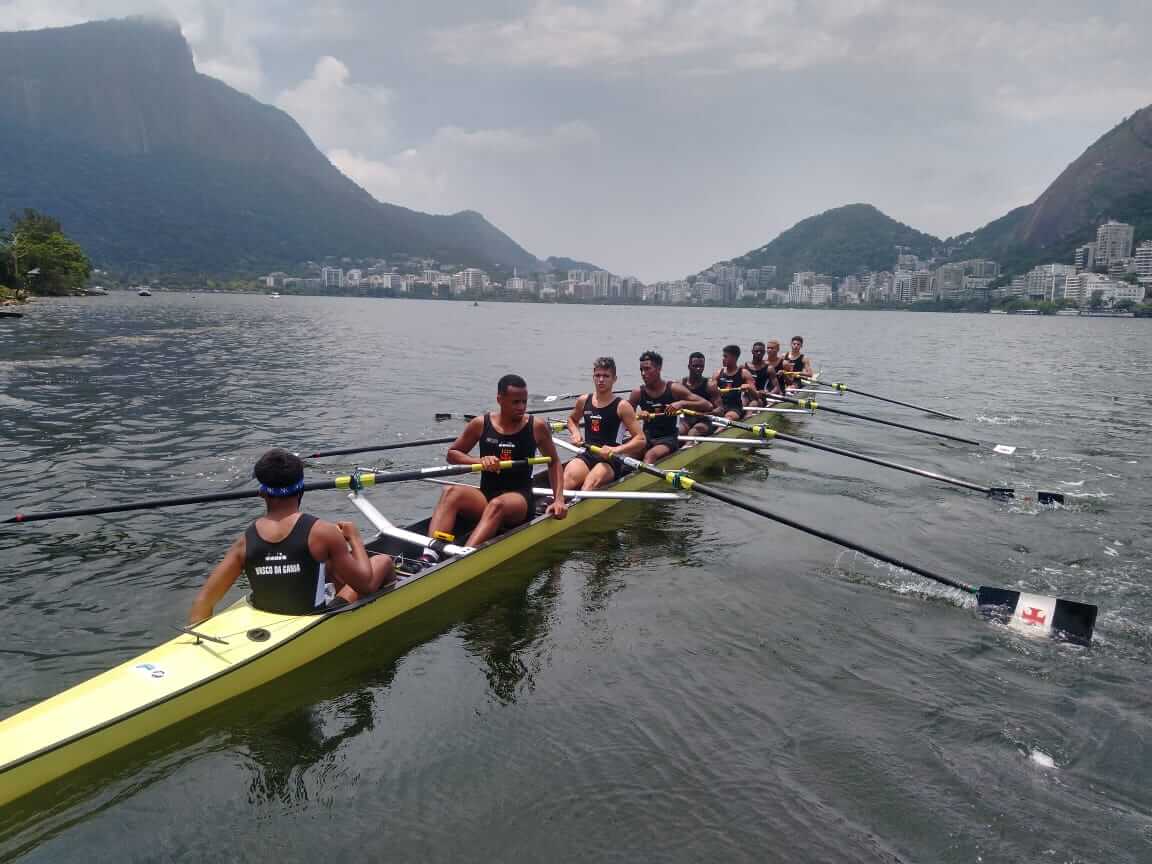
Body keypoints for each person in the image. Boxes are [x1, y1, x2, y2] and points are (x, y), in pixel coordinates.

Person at [189, 449, 395, 624]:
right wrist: (354, 539)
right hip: (314, 620)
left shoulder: (245, 540)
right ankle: (381, 618)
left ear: (262, 493)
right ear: (301, 489)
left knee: (329, 566)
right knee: (383, 561)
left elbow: (203, 602)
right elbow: (365, 585)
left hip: (265, 618)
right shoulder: (323, 532)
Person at [424, 373, 566, 553]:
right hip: (486, 496)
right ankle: (429, 555)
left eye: (524, 401)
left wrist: (559, 500)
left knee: (497, 504)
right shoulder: (480, 424)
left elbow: (553, 462)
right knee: (450, 492)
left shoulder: (536, 427)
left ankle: (462, 557)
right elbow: (453, 454)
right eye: (515, 402)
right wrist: (478, 461)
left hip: (519, 501)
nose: (521, 407)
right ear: (500, 399)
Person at [564, 357, 646, 491]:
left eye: (606, 376)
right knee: (567, 478)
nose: (601, 380)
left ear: (614, 379)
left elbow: (641, 439)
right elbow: (572, 420)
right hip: (588, 454)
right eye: (598, 375)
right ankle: (554, 505)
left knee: (588, 485)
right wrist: (576, 433)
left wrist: (615, 450)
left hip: (611, 459)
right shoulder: (584, 400)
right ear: (593, 377)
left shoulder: (622, 406)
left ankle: (575, 505)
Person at [628, 350, 712, 463]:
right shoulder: (637, 393)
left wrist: (682, 403)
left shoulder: (674, 389)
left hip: (668, 439)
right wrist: (638, 415)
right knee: (626, 454)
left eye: (647, 369)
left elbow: (707, 405)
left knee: (650, 456)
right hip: (646, 437)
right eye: (641, 369)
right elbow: (625, 419)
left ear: (658, 368)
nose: (643, 373)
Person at [712, 344, 756, 420]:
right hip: (719, 406)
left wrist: (749, 388)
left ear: (734, 358)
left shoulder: (744, 373)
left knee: (728, 417)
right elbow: (709, 392)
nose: (723, 359)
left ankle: (719, 431)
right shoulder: (718, 373)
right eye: (723, 356)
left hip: (735, 408)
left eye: (725, 356)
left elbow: (756, 396)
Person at [679, 351, 718, 437]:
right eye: (695, 366)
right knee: (678, 432)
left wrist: (708, 413)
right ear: (689, 366)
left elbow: (721, 409)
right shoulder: (680, 384)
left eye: (701, 366)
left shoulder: (710, 385)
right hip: (686, 420)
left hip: (704, 421)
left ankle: (687, 447)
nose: (698, 369)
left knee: (693, 433)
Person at [742, 341, 772, 407]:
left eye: (761, 351)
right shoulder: (745, 367)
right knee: (742, 404)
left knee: (753, 404)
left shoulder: (769, 368)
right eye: (756, 351)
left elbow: (776, 388)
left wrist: (767, 392)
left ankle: (748, 415)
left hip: (760, 397)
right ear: (752, 351)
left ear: (764, 352)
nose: (759, 353)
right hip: (746, 395)